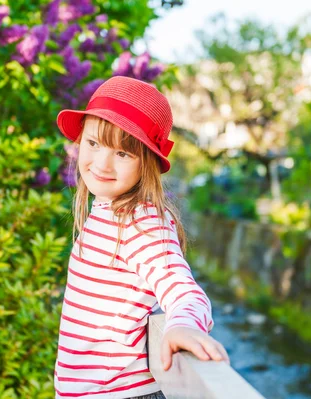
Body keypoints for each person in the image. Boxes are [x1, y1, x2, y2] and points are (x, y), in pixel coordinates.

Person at [53, 76, 229, 399]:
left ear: (145, 163)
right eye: (93, 144)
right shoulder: (105, 207)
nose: (102, 163)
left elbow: (184, 291)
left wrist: (183, 326)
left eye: (123, 153)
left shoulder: (139, 220)